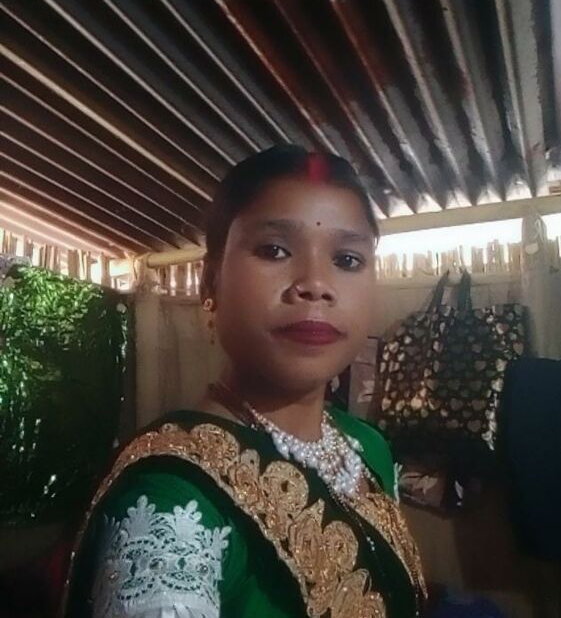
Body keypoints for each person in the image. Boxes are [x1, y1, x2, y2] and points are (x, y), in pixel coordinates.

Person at [63, 145, 428, 618]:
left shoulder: (367, 448)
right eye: (275, 250)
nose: (316, 284)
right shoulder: (174, 497)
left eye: (347, 259)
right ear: (210, 283)